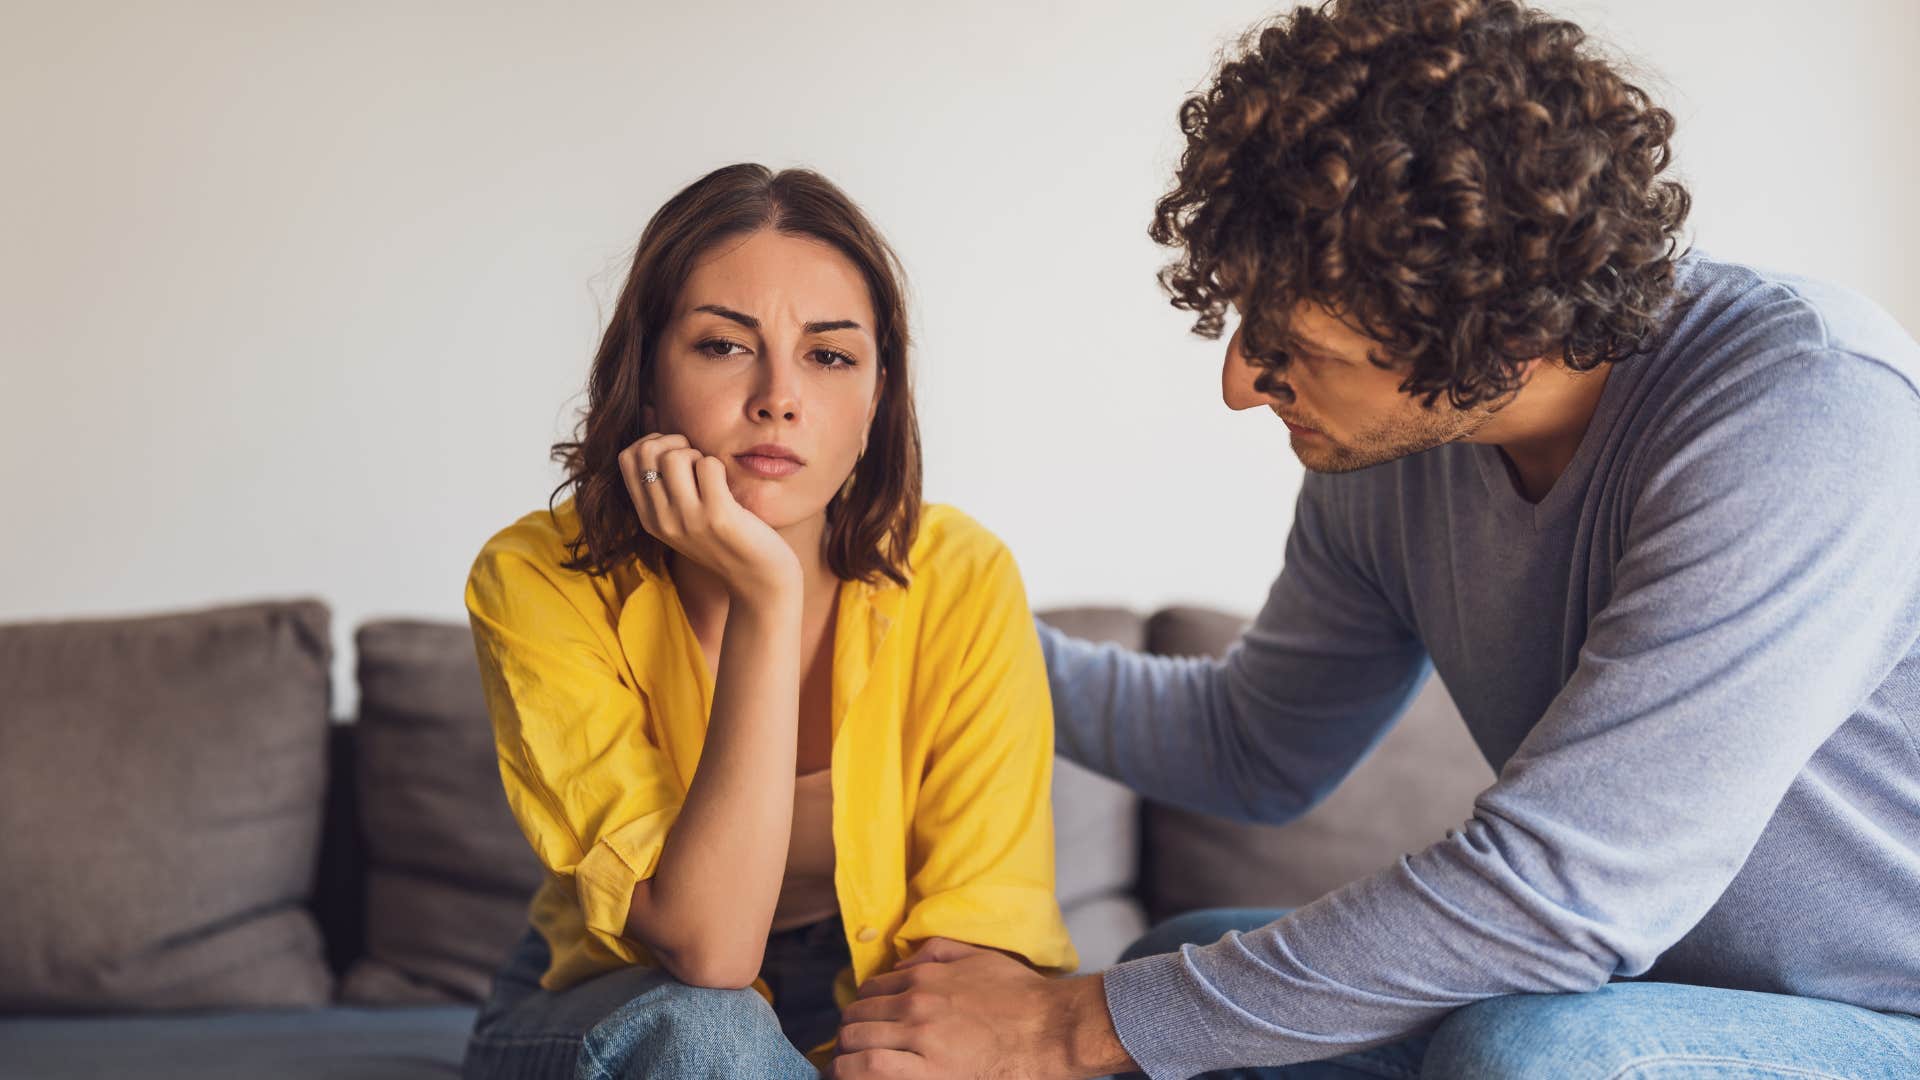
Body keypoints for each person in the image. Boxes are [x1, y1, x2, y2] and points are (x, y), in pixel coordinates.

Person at [826, 1, 1920, 1077]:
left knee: (1538, 1055)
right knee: (1172, 964)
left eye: (1290, 345)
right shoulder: (1387, 465)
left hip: (1881, 1012)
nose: (1239, 386)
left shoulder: (1808, 406)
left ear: (1506, 335)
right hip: (1643, 987)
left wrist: (1062, 1027)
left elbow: (1563, 898)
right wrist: (932, 617)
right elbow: (1255, 750)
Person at [458, 162, 1076, 1080]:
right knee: (708, 1032)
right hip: (628, 1000)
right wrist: (766, 594)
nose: (778, 396)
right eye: (722, 345)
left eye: (829, 356)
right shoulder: (534, 576)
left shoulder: (961, 574)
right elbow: (708, 951)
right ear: (648, 376)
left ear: (875, 403)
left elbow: (980, 929)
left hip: (869, 979)